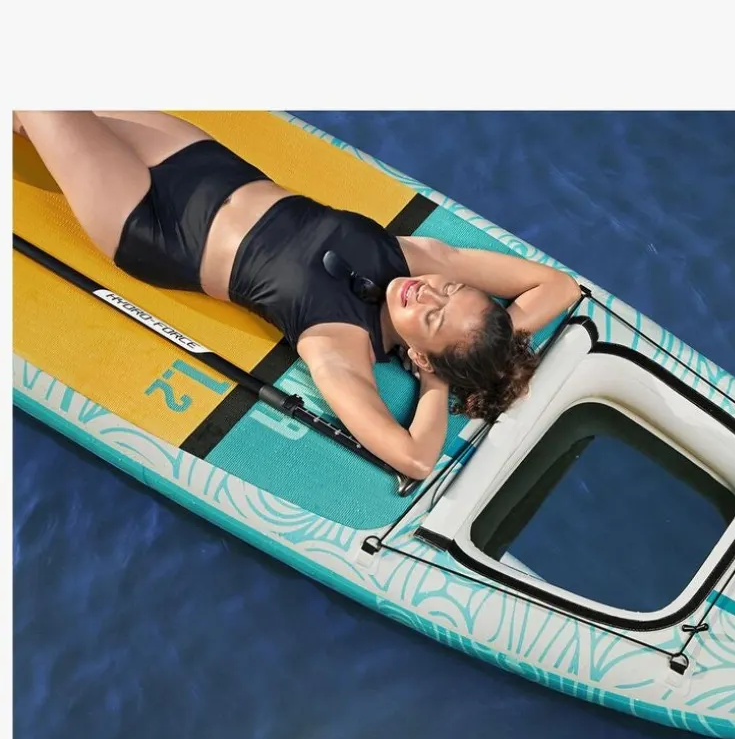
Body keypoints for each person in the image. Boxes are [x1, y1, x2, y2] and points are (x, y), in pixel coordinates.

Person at [14, 111, 582, 479]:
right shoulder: (419, 260)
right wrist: (495, 344)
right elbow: (559, 285)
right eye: (450, 291)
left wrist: (437, 382)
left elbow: (414, 457)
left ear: (421, 355)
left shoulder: (338, 345)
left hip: (153, 226)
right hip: (202, 164)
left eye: (433, 319)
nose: (426, 294)